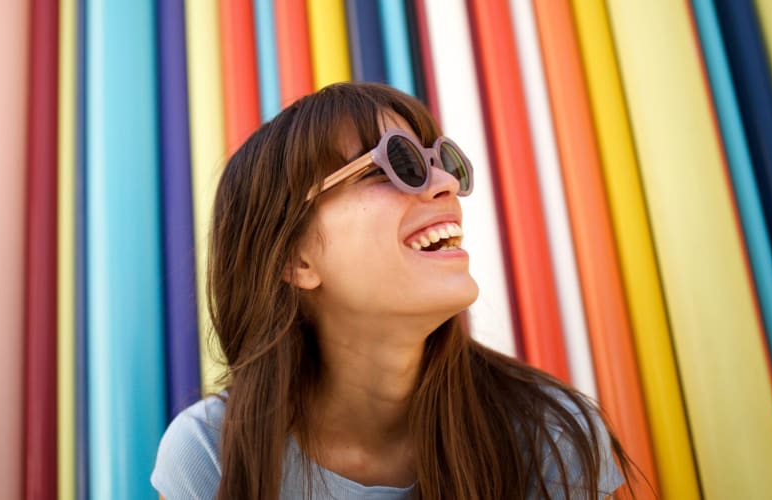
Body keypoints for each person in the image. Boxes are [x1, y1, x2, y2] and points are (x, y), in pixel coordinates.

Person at [152, 82, 631, 499]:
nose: (445, 184)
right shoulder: (210, 454)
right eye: (389, 167)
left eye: (440, 161)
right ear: (294, 259)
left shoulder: (549, 433)